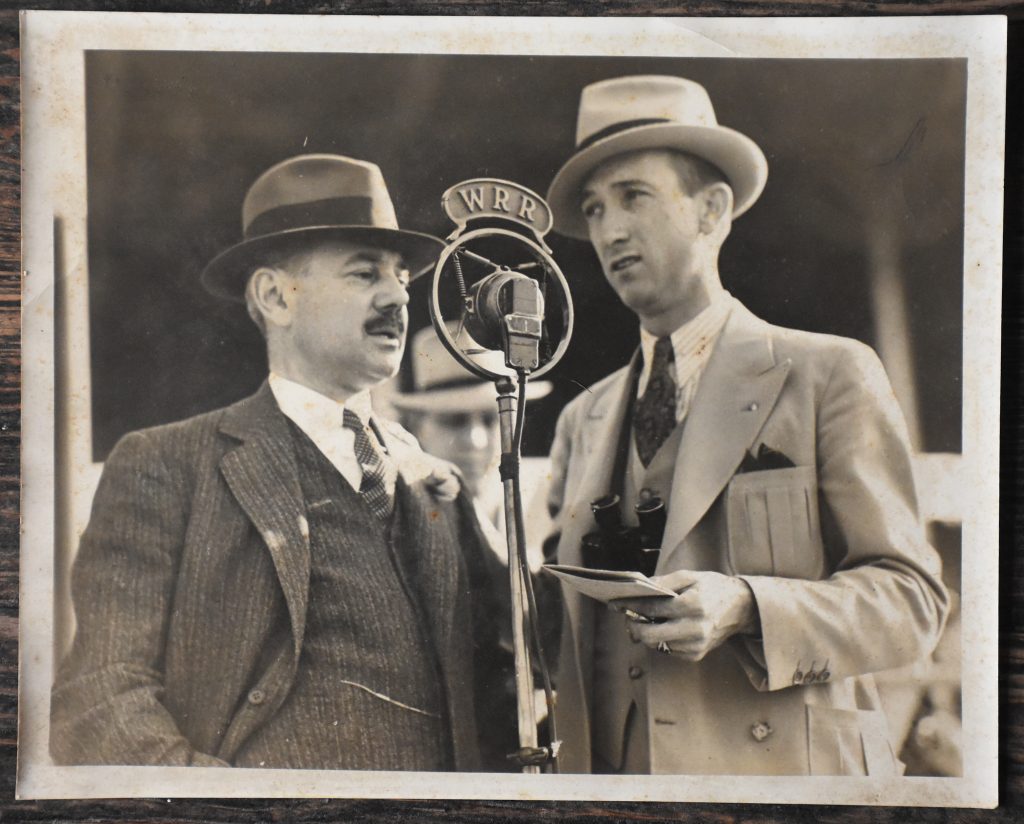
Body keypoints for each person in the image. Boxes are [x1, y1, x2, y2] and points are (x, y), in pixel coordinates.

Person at [542, 76, 951, 775]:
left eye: (634, 196)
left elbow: (912, 602)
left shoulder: (828, 374)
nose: (609, 229)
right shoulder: (584, 418)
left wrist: (749, 605)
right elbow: (559, 632)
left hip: (777, 784)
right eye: (594, 207)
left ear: (711, 210)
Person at [49, 154, 509, 771]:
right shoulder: (167, 464)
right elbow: (99, 697)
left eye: (401, 276)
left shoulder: (426, 476)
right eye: (364, 273)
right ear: (275, 296)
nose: (398, 296)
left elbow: (510, 666)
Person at [390, 322, 552, 566]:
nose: (475, 441)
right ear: (417, 427)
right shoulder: (399, 511)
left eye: (490, 420)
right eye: (454, 422)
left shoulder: (548, 490)